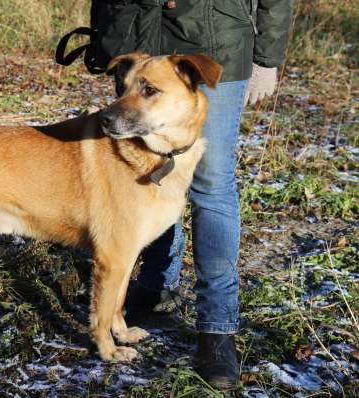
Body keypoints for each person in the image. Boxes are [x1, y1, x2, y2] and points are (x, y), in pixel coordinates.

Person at [57, 0, 293, 391]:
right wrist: (105, 34)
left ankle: (216, 330)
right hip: (135, 38)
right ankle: (154, 285)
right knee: (144, 183)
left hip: (215, 43)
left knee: (211, 187)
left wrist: (267, 56)